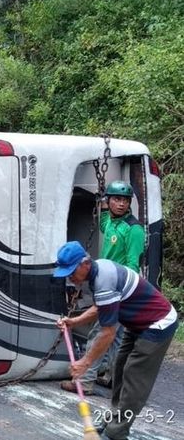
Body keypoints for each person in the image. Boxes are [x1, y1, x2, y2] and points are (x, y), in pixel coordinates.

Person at [54, 241, 177, 440]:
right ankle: (113, 417)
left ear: (85, 263)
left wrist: (84, 363)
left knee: (134, 377)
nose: (69, 277)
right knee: (119, 368)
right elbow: (101, 306)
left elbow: (108, 333)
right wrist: (74, 321)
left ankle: (117, 432)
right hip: (136, 323)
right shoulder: (97, 273)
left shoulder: (103, 278)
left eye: (70, 271)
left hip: (157, 324)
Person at [61, 180, 145, 395]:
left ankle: (85, 381)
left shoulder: (133, 229)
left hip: (117, 288)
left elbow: (133, 264)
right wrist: (101, 198)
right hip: (107, 283)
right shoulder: (109, 222)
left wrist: (122, 294)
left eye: (125, 200)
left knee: (100, 334)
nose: (121, 204)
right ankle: (116, 380)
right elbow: (102, 215)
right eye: (116, 199)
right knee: (117, 338)